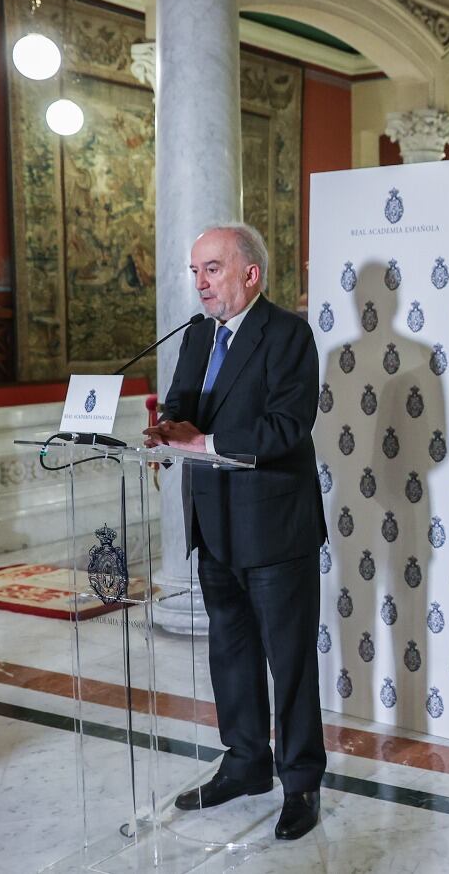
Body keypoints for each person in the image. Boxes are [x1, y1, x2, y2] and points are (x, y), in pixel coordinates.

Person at [144, 222, 327, 841]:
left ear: (251, 274)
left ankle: (300, 782)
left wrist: (207, 442)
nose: (200, 283)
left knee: (290, 662)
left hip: (275, 529)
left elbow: (287, 428)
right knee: (230, 653)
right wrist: (167, 430)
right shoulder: (198, 334)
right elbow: (180, 403)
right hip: (215, 525)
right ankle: (246, 763)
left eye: (212, 269)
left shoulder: (289, 335)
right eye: (195, 271)